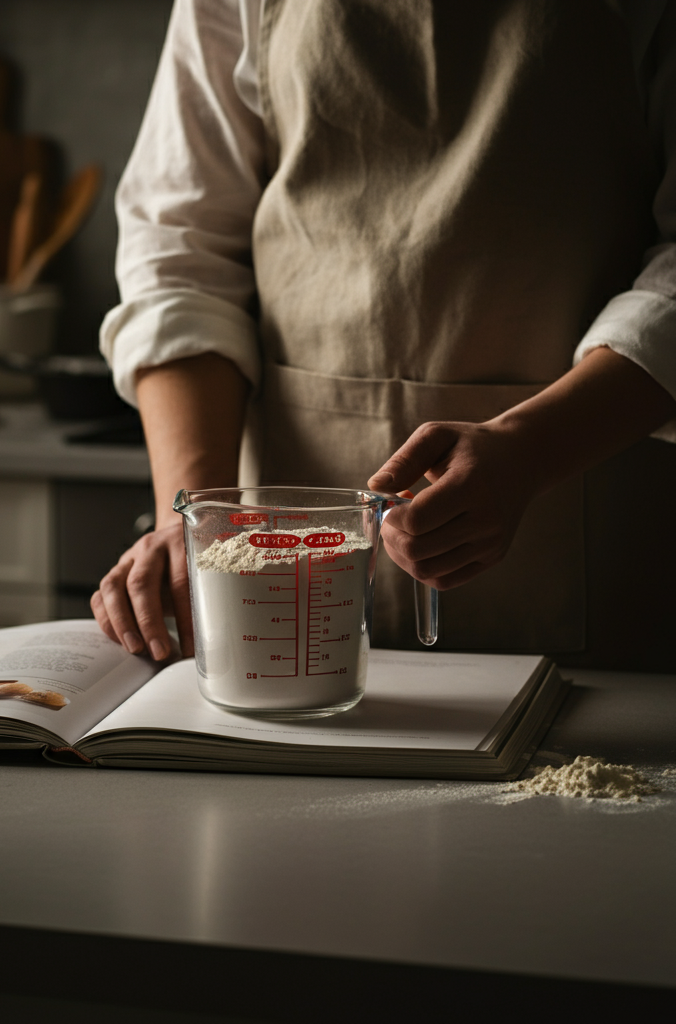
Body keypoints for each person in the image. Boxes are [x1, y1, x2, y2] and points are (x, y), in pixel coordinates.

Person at [93, 0, 676, 671]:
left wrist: (532, 449)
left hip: (595, 501)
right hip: (285, 524)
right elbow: (182, 259)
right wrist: (194, 519)